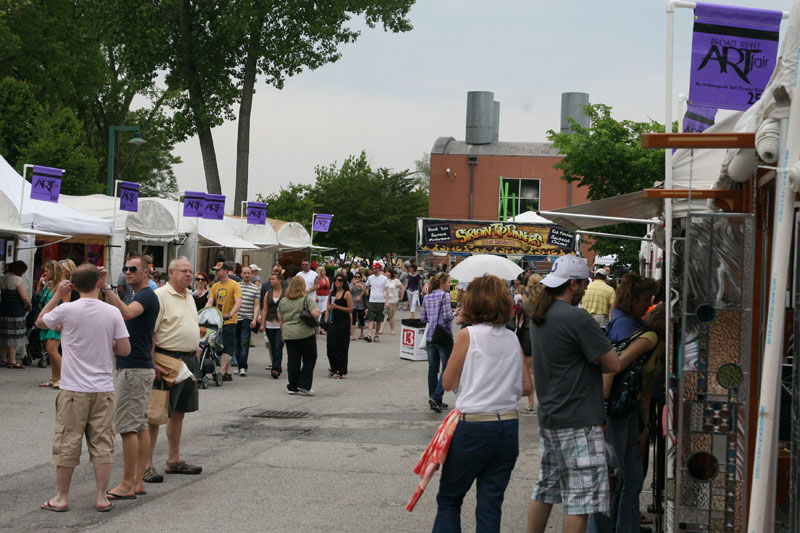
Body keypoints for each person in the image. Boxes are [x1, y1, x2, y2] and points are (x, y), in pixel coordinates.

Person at [527, 254, 621, 533]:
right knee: (580, 500)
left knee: (546, 487)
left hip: (550, 415)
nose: (584, 290)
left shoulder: (539, 315)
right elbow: (613, 364)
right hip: (579, 418)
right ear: (573, 284)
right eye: (583, 285)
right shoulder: (576, 317)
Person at [433, 274, 533, 531]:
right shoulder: (511, 337)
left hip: (474, 426)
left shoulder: (469, 335)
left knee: (449, 498)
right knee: (490, 503)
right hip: (508, 426)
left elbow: (447, 382)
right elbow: (526, 387)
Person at [36, 265, 130, 513]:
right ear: (99, 283)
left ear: (74, 286)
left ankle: (61, 497)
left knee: (67, 442)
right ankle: (101, 496)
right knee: (102, 444)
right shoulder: (112, 312)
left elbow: (40, 321)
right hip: (102, 388)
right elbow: (124, 350)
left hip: (73, 388)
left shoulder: (67, 309)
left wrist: (57, 294)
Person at [585, 274, 659, 533]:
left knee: (629, 476)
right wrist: (602, 415)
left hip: (626, 411)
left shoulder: (628, 322)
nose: (646, 304)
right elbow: (612, 370)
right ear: (632, 299)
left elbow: (644, 382)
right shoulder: (631, 328)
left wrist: (645, 423)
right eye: (643, 299)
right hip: (616, 412)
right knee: (612, 478)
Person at [99, 253, 159, 501]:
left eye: (133, 268)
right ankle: (136, 481)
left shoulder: (145, 295)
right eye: (126, 268)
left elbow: (126, 313)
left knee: (127, 428)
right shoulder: (141, 294)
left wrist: (104, 289)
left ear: (146, 272)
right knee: (140, 425)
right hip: (138, 366)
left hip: (134, 369)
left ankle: (127, 483)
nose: (128, 272)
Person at [144, 257, 203, 483]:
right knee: (156, 415)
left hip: (188, 360)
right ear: (171, 272)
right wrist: (152, 363)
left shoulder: (189, 296)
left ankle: (173, 459)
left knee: (179, 412)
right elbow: (150, 332)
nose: (189, 275)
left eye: (190, 271)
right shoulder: (160, 296)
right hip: (167, 360)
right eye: (184, 271)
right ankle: (146, 465)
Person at [278, 276, 320, 396]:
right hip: (305, 333)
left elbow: (280, 319)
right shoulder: (306, 299)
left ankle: (292, 385)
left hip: (289, 333)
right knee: (310, 358)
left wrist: (282, 332)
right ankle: (304, 384)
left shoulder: (284, 301)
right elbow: (316, 313)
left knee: (293, 360)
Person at [420, 272, 454, 413]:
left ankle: (434, 400)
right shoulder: (445, 296)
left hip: (430, 337)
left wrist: (433, 318)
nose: (450, 285)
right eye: (448, 282)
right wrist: (455, 313)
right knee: (447, 368)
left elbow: (423, 318)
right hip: (443, 336)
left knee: (433, 369)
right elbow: (447, 316)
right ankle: (436, 396)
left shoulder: (427, 297)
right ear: (442, 283)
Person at [206, 261, 242, 381]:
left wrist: (231, 314)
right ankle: (227, 372)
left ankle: (221, 372)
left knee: (227, 347)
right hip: (217, 321)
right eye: (215, 270)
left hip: (229, 321)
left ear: (226, 271)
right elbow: (210, 301)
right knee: (219, 346)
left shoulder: (234, 285)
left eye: (218, 270)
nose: (216, 272)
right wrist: (204, 312)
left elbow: (238, 302)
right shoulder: (215, 286)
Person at [0, 261, 33, 368]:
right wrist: (29, 304)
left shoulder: (4, 278)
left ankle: (3, 359)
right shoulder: (17, 280)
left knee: (4, 335)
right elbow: (24, 296)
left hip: (4, 309)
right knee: (13, 336)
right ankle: (12, 360)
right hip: (15, 311)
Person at [38, 260, 65, 388]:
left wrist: (61, 323)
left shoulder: (63, 286)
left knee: (52, 349)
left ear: (54, 272)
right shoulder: (49, 285)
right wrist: (40, 285)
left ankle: (63, 378)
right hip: (47, 320)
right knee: (49, 351)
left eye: (47, 271)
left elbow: (66, 304)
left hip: (56, 321)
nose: (45, 273)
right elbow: (40, 299)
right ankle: (55, 377)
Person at [519, 273, 543, 412]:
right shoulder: (545, 302)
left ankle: (531, 401)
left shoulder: (524, 302)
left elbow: (519, 320)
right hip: (543, 335)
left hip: (528, 335)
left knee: (530, 371)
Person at [325, 274, 353, 378]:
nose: (337, 282)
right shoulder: (332, 293)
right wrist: (327, 317)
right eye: (336, 280)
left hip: (343, 322)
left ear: (343, 282)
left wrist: (338, 306)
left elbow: (350, 309)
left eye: (340, 280)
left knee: (342, 347)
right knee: (330, 347)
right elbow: (328, 307)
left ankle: (341, 371)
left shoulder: (347, 294)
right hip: (333, 322)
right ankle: (333, 367)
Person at [235, 265, 260, 377]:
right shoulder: (236, 287)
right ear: (241, 274)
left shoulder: (255, 288)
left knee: (244, 342)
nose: (246, 275)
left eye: (248, 273)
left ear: (252, 274)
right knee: (236, 343)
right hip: (235, 318)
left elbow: (256, 305)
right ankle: (240, 365)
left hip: (247, 318)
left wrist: (254, 319)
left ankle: (243, 367)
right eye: (244, 273)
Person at [260, 272, 285, 379]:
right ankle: (276, 365)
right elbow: (265, 309)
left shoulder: (286, 293)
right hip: (270, 323)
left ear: (279, 280)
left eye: (274, 279)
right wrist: (262, 324)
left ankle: (276, 369)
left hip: (281, 324)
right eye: (270, 279)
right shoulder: (267, 293)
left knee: (278, 346)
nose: (271, 281)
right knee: (272, 347)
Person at [364, 263, 389, 343]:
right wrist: (365, 293)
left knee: (379, 320)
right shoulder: (370, 278)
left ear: (379, 269)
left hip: (381, 301)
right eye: (373, 268)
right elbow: (366, 286)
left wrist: (386, 301)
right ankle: (369, 335)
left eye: (375, 268)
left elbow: (387, 290)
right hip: (372, 301)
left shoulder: (384, 278)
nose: (373, 270)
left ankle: (376, 335)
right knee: (370, 318)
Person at [384, 267, 404, 335]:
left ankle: (392, 329)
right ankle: (380, 329)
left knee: (391, 316)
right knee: (384, 315)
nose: (386, 273)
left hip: (393, 300)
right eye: (385, 272)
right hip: (384, 299)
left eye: (387, 272)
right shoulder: (384, 280)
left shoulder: (396, 280)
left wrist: (401, 296)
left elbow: (402, 288)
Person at [350, 271, 366, 340]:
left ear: (361, 278)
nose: (357, 278)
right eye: (355, 277)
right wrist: (353, 285)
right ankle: (352, 334)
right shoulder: (352, 284)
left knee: (361, 319)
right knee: (353, 319)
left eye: (358, 277)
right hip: (353, 303)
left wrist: (362, 287)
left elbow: (366, 293)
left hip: (361, 304)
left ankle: (362, 333)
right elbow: (348, 291)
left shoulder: (363, 284)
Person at [316, 266, 331, 335]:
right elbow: (315, 287)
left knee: (324, 312)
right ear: (320, 272)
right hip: (318, 296)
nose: (325, 272)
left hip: (325, 296)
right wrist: (315, 296)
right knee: (318, 312)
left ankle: (322, 327)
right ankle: (317, 327)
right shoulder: (317, 279)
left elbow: (328, 288)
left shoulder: (327, 278)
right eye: (323, 271)